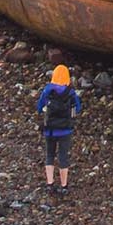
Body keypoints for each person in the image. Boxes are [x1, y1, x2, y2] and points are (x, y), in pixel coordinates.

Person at [36, 64, 82, 192]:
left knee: (50, 155)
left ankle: (50, 184)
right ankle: (64, 185)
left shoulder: (48, 90)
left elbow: (39, 107)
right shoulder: (71, 93)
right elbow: (77, 108)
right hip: (66, 130)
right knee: (63, 156)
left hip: (49, 129)